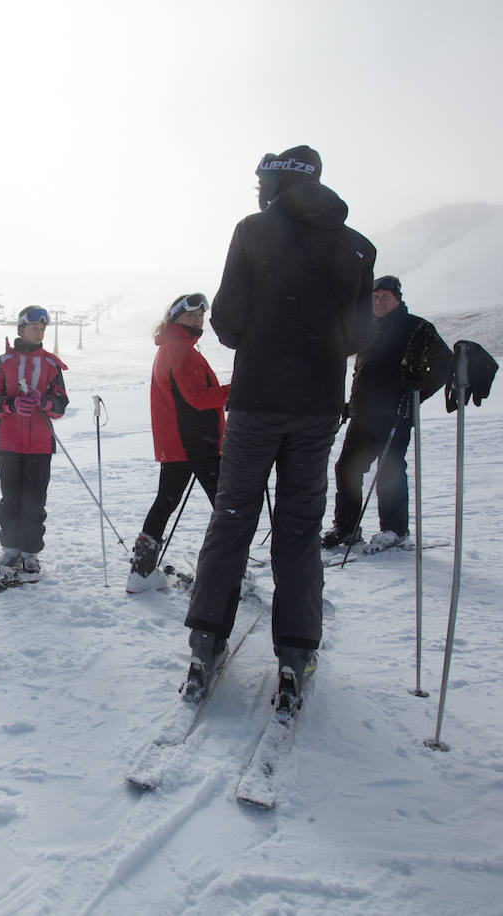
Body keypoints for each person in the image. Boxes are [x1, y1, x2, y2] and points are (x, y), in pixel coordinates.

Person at [181, 145, 376, 711]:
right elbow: (360, 337)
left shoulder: (252, 230)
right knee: (298, 528)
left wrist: (270, 336)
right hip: (317, 406)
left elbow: (228, 321)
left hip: (258, 400)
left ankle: (206, 638)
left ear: (273, 182)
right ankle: (296, 650)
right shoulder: (357, 246)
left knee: (234, 515)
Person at [323, 275, 451, 553]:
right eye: (375, 296)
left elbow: (444, 364)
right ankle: (347, 528)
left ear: (398, 298)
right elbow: (363, 373)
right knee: (347, 468)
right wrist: (349, 405)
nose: (378, 301)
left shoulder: (417, 328)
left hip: (397, 414)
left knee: (390, 472)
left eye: (385, 296)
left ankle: (395, 530)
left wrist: (418, 391)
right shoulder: (367, 329)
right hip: (362, 414)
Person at [127, 292, 229, 593]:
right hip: (195, 441)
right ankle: (226, 571)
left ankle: (142, 572)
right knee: (227, 505)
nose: (197, 319)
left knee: (167, 501)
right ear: (175, 318)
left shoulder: (175, 346)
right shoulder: (179, 348)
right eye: (190, 314)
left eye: (200, 315)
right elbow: (197, 397)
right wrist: (234, 391)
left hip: (182, 441)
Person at [0, 306, 69, 579]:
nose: (39, 332)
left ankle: (30, 551)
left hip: (41, 444)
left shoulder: (51, 364)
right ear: (21, 329)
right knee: (11, 499)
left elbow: (60, 405)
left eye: (43, 329)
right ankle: (10, 549)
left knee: (34, 500)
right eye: (34, 328)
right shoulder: (5, 361)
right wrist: (11, 403)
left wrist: (44, 402)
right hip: (9, 442)